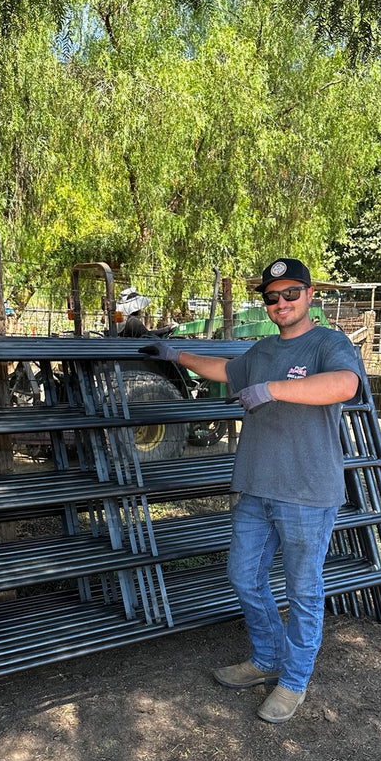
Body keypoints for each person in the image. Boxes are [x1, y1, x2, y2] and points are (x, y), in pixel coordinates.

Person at [141, 257, 360, 723]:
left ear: (310, 294)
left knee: (303, 590)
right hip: (256, 487)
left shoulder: (330, 343)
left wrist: (276, 390)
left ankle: (293, 681)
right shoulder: (261, 351)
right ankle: (266, 659)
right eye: (272, 296)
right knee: (244, 577)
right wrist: (175, 354)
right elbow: (225, 370)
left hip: (307, 491)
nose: (281, 303)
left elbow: (344, 384)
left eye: (290, 294)